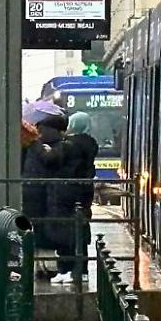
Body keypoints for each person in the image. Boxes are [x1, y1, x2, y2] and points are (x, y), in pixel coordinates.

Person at [50, 112, 98, 284]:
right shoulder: (91, 145)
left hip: (66, 193)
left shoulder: (68, 145)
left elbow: (55, 163)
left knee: (63, 230)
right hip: (85, 192)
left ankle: (65, 269)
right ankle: (82, 270)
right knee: (81, 228)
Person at [23, 113, 66, 275]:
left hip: (31, 196)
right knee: (45, 233)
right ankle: (47, 268)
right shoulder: (51, 147)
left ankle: (39, 268)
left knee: (37, 232)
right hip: (45, 197)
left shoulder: (34, 147)